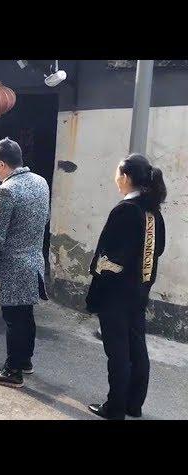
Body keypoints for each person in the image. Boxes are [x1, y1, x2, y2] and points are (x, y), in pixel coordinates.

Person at [86, 154, 167, 420]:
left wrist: (98, 271)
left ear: (126, 177)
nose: (115, 178)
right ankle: (134, 404)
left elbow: (110, 258)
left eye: (118, 173)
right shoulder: (152, 211)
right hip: (140, 291)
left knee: (118, 352)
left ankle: (115, 407)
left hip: (116, 294)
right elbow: (159, 250)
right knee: (137, 347)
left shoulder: (125, 210)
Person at [0, 137, 50, 388]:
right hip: (34, 260)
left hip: (12, 265)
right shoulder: (40, 181)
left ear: (1, 164)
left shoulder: (6, 190)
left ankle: (12, 370)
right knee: (25, 315)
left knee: (13, 318)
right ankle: (25, 361)